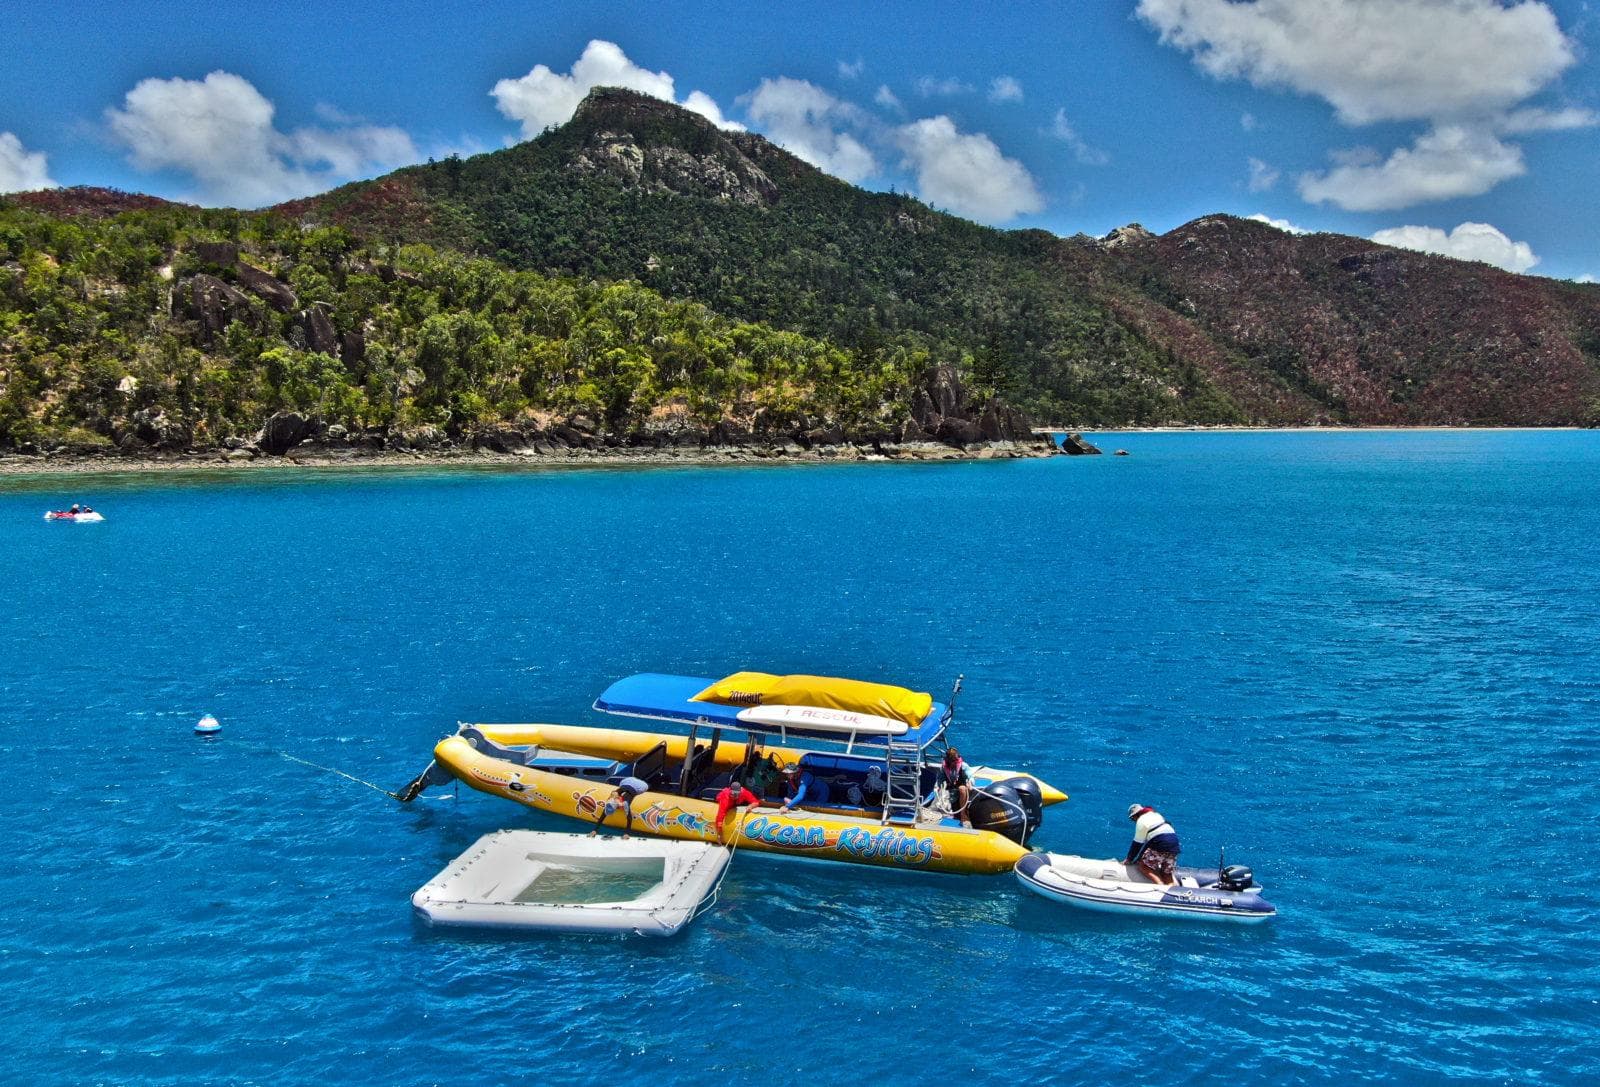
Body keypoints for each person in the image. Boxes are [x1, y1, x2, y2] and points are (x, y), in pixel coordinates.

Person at [1124, 804, 1182, 886]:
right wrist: (1139, 858)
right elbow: (1148, 844)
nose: (1134, 821)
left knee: (1143, 866)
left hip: (1161, 842)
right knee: (1166, 873)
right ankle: (1170, 891)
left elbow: (1137, 844)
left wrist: (1129, 859)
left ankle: (1160, 884)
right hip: (1174, 844)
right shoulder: (1156, 815)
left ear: (1136, 815)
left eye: (1133, 818)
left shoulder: (1141, 821)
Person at [941, 747, 974, 827]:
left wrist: (970, 783)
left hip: (961, 788)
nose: (955, 762)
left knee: (962, 789)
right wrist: (938, 787)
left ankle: (963, 815)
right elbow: (940, 779)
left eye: (956, 759)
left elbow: (970, 776)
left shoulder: (963, 766)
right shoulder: (943, 767)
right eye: (953, 760)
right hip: (950, 790)